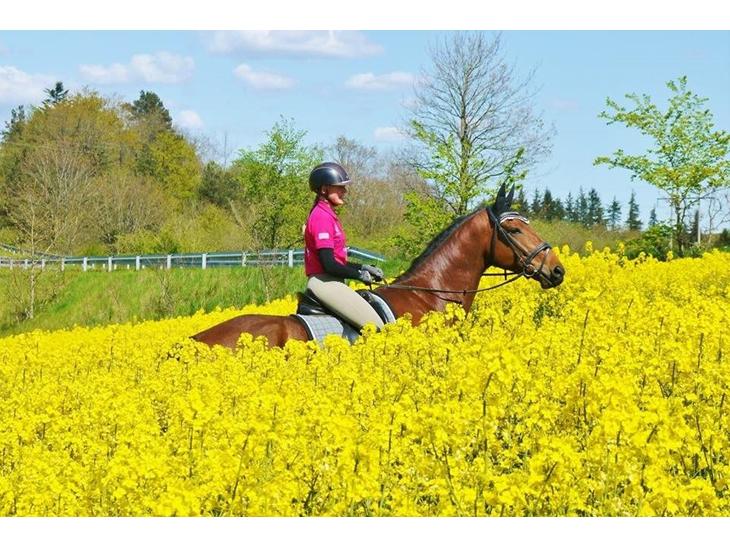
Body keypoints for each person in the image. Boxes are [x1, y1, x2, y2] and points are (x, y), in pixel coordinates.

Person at [304, 161, 385, 331]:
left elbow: (337, 261)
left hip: (332, 281)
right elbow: (329, 265)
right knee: (375, 327)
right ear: (324, 189)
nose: (344, 191)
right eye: (339, 187)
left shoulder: (328, 215)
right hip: (325, 283)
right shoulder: (321, 217)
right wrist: (358, 275)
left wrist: (363, 267)